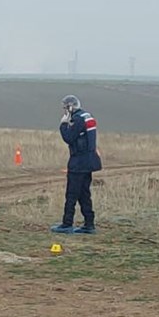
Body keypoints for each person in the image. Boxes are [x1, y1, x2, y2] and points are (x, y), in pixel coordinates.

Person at [51, 94, 101, 234]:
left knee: (72, 193)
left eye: (65, 109)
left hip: (79, 162)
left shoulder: (78, 119)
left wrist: (63, 124)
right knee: (84, 193)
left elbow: (69, 137)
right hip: (89, 160)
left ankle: (67, 224)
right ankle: (89, 224)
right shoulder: (87, 115)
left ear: (70, 107)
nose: (64, 111)